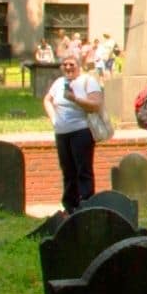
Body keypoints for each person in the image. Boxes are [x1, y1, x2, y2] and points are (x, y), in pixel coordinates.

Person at [43, 54, 103, 212]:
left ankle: (86, 204)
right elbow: (47, 100)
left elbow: (96, 105)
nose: (68, 68)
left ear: (79, 65)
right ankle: (70, 205)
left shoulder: (87, 81)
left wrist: (74, 99)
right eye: (65, 65)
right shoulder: (58, 83)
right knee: (67, 170)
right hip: (62, 133)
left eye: (71, 64)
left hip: (81, 131)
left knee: (82, 169)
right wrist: (54, 119)